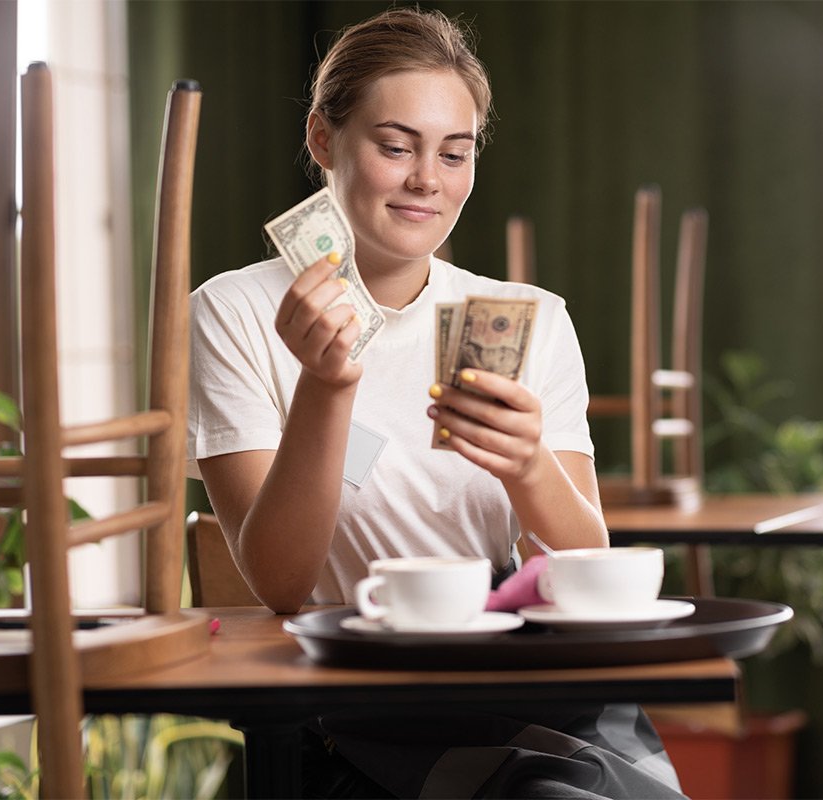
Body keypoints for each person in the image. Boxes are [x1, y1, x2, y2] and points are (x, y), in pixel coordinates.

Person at [188, 7, 685, 798]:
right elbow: (281, 583)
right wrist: (327, 387)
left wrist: (527, 467)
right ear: (324, 140)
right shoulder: (237, 312)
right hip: (354, 703)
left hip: (523, 679)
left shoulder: (531, 317)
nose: (429, 180)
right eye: (396, 147)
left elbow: (587, 561)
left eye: (455, 154)